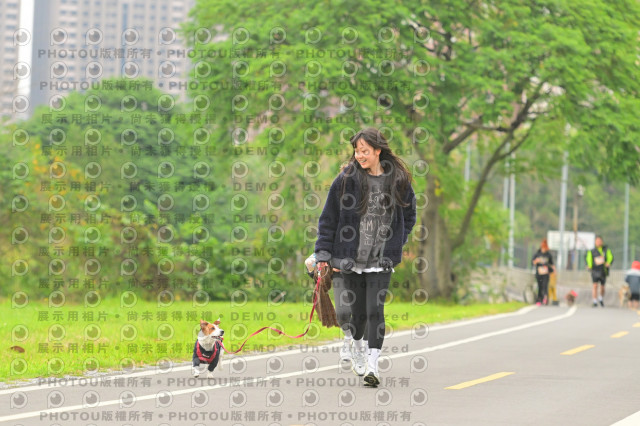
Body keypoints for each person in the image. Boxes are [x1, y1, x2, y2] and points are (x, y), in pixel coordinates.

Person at [315, 127, 417, 387]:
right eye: (356, 151)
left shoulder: (398, 180)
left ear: (377, 150)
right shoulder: (346, 179)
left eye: (364, 151)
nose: (359, 155)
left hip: (381, 260)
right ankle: (357, 346)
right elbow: (329, 218)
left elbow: (409, 216)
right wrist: (323, 253)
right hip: (350, 259)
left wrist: (396, 243)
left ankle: (373, 367)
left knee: (375, 310)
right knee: (357, 314)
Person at [585, 236, 614, 307]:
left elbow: (610, 257)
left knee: (602, 286)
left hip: (603, 270)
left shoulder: (606, 250)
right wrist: (589, 265)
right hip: (595, 270)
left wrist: (608, 263)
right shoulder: (592, 251)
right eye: (597, 241)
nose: (598, 242)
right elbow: (588, 259)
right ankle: (594, 301)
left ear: (602, 242)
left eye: (599, 241)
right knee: (595, 285)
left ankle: (600, 298)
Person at [531, 239, 555, 306]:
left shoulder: (548, 255)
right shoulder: (537, 254)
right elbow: (533, 262)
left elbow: (552, 264)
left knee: (545, 286)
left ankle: (545, 299)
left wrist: (554, 271)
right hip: (539, 273)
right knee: (540, 286)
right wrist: (536, 261)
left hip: (546, 274)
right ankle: (539, 299)